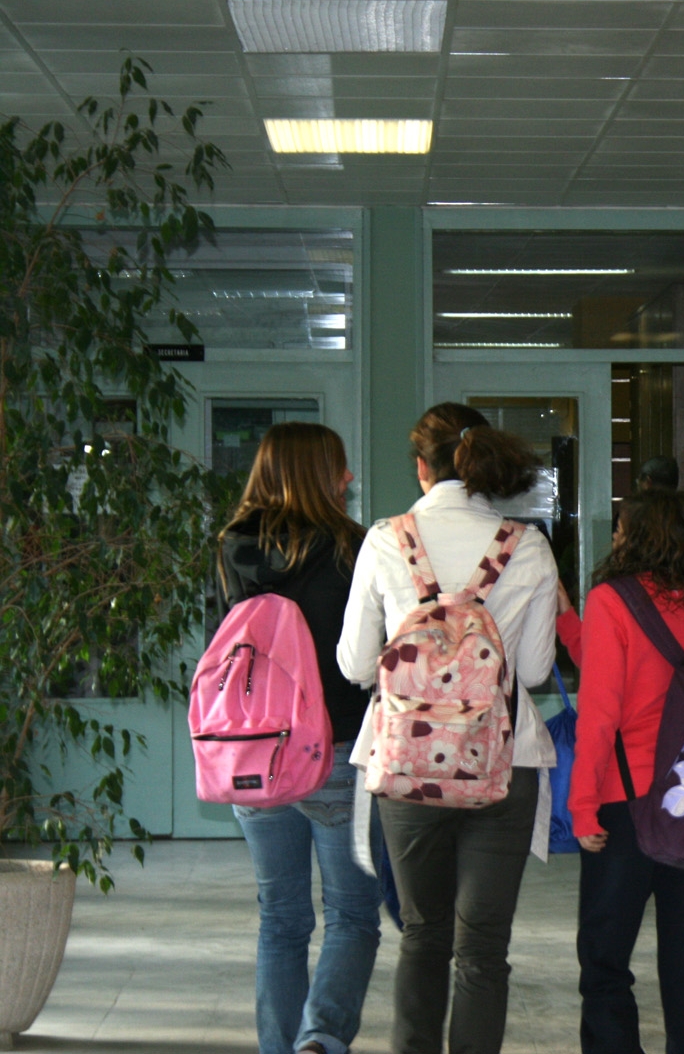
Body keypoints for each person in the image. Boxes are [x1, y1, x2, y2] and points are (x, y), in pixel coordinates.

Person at [337, 403, 559, 1054]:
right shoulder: (528, 545)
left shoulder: (385, 539)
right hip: (504, 764)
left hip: (408, 767)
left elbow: (356, 664)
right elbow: (536, 670)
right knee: (483, 949)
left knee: (422, 934)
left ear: (421, 467)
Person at [219, 422, 383, 1054]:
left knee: (280, 919)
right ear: (317, 472)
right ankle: (320, 1039)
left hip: (256, 752)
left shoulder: (233, 545)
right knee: (352, 915)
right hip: (336, 748)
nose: (349, 477)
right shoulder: (354, 548)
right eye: (339, 466)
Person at [568, 489, 684, 1054]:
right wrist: (569, 624)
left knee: (605, 958)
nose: (614, 537)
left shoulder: (611, 600)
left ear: (637, 537)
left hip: (627, 804)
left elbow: (601, 711)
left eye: (619, 528)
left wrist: (582, 805)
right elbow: (646, 673)